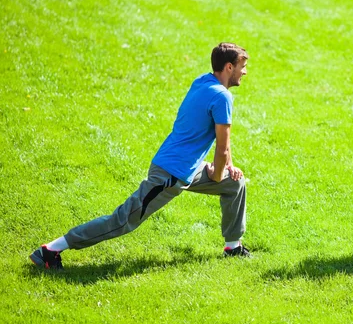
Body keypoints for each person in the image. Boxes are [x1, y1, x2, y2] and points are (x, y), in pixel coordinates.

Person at [30, 42, 251, 270]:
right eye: (242, 66)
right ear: (228, 67)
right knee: (123, 220)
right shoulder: (222, 97)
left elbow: (222, 139)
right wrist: (216, 176)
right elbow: (221, 148)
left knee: (235, 184)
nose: (244, 72)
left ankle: (232, 246)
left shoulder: (203, 82)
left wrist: (228, 168)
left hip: (188, 167)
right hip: (170, 174)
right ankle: (51, 249)